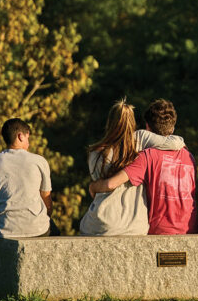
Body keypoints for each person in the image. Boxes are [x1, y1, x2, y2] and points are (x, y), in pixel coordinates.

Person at [79, 98, 186, 236]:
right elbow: (175, 143)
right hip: (134, 225)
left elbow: (101, 188)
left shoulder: (95, 152)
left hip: (98, 224)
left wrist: (92, 187)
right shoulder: (140, 139)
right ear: (132, 122)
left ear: (109, 122)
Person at [0, 118, 60, 274]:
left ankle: (0, 289)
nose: (29, 142)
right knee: (56, 233)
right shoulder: (39, 161)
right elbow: (47, 202)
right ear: (21, 136)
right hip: (39, 228)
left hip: (6, 229)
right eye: (28, 137)